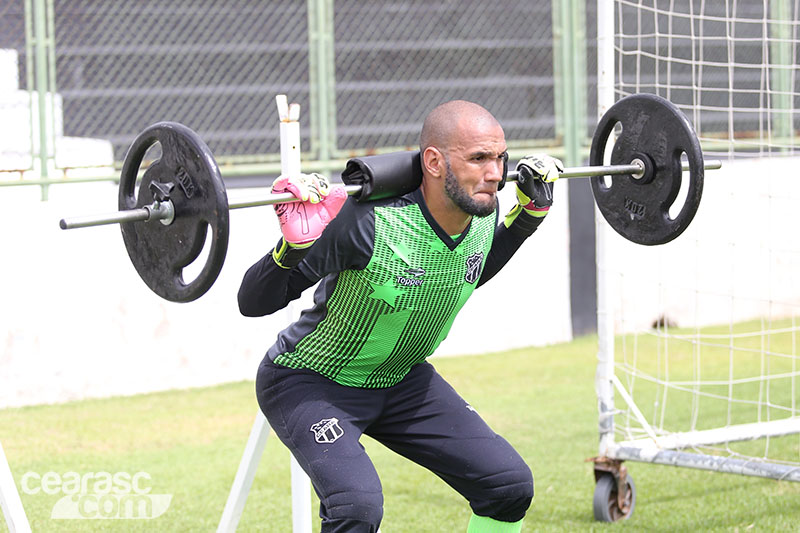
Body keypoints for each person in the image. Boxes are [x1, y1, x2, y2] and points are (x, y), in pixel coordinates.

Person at [238, 100, 562, 533]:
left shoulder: (483, 211)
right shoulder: (367, 222)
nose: (496, 173)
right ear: (433, 162)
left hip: (401, 379)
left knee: (508, 486)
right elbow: (253, 302)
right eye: (479, 159)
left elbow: (464, 272)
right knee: (357, 507)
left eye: (500, 158)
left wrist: (527, 219)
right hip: (311, 379)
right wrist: (293, 247)